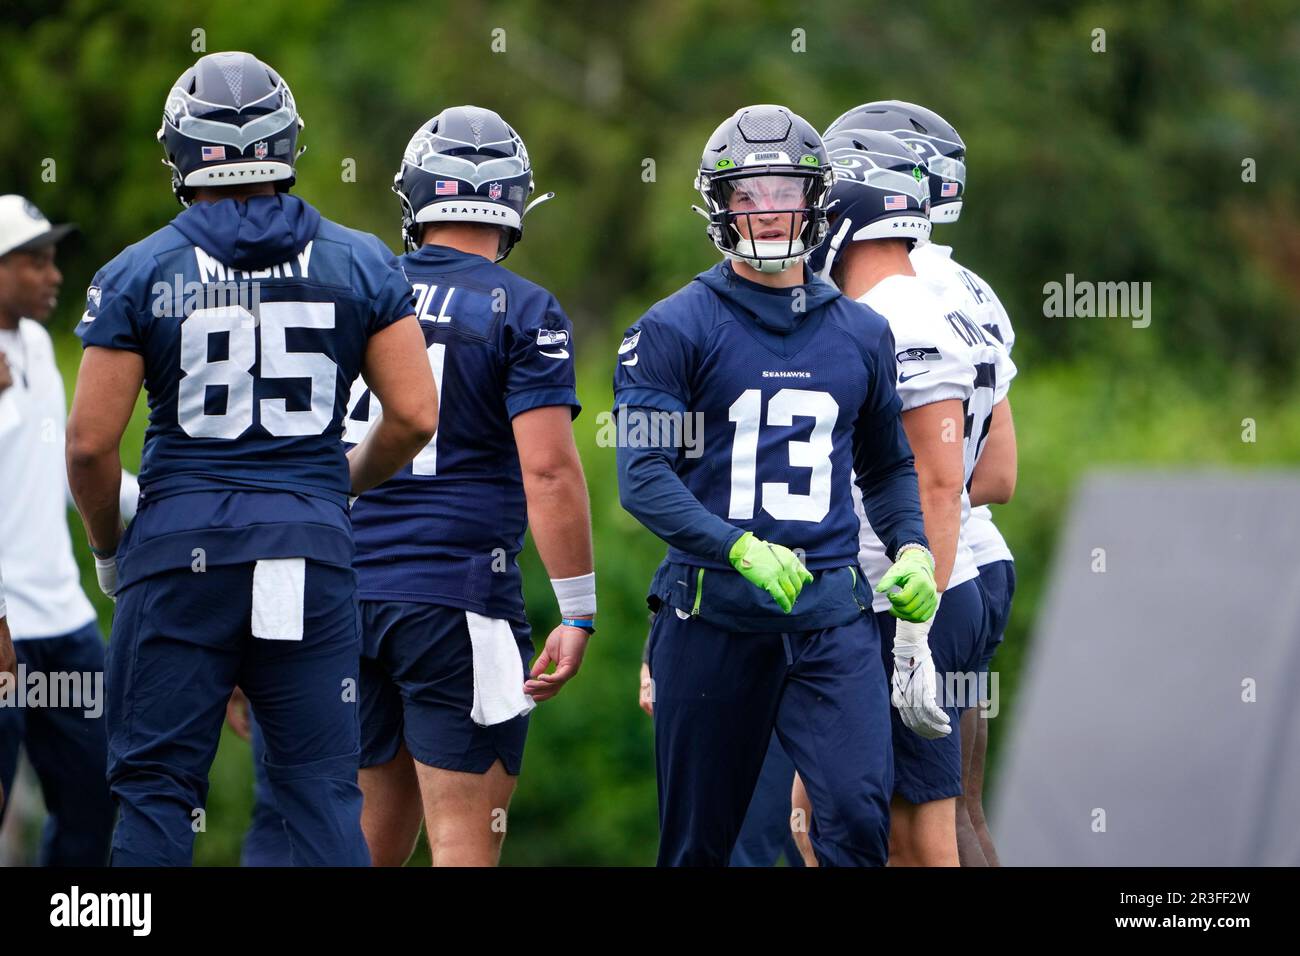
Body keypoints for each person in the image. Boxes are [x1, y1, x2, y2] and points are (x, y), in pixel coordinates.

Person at [65, 50, 437, 866]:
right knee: (319, 790)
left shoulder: (138, 271)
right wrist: (330, 483)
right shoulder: (361, 260)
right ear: (290, 143)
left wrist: (106, 550)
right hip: (305, 555)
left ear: (179, 155)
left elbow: (91, 444)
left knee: (157, 789)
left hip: (176, 551)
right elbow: (413, 415)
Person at [239, 106, 595, 867]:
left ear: (414, 200)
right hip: (453, 597)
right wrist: (579, 606)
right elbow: (549, 469)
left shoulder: (351, 285)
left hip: (338, 594)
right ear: (514, 204)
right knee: (464, 849)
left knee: (361, 852)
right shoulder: (521, 309)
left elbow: (277, 450)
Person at [615, 104, 938, 867]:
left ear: (818, 199)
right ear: (720, 207)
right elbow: (641, 478)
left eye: (785, 190)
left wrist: (914, 548)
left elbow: (887, 465)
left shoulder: (861, 331)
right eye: (748, 194)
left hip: (829, 614)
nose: (768, 211)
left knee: (859, 820)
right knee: (701, 844)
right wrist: (736, 548)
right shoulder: (674, 327)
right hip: (713, 613)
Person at [801, 126, 1015, 866]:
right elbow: (990, 472)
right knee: (864, 816)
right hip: (921, 584)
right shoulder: (934, 300)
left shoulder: (900, 313)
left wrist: (914, 632)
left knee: (915, 836)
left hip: (907, 592)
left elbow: (937, 480)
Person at [0, 195, 136, 865]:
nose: (54, 276)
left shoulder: (38, 351)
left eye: (54, 260)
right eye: (34, 262)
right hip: (2, 632)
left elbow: (66, 471)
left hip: (62, 623)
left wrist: (167, 500)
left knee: (97, 795)